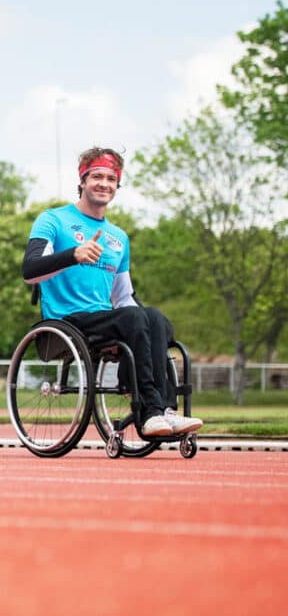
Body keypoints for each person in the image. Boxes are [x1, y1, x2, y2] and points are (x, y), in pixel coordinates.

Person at [21, 147, 202, 437]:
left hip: (105, 316)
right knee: (135, 320)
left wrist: (149, 319)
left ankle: (166, 409)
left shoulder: (118, 237)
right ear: (82, 180)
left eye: (111, 178)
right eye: (96, 176)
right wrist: (74, 254)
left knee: (154, 318)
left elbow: (124, 296)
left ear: (117, 185)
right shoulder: (53, 220)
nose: (104, 183)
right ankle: (150, 413)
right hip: (68, 319)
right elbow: (30, 270)